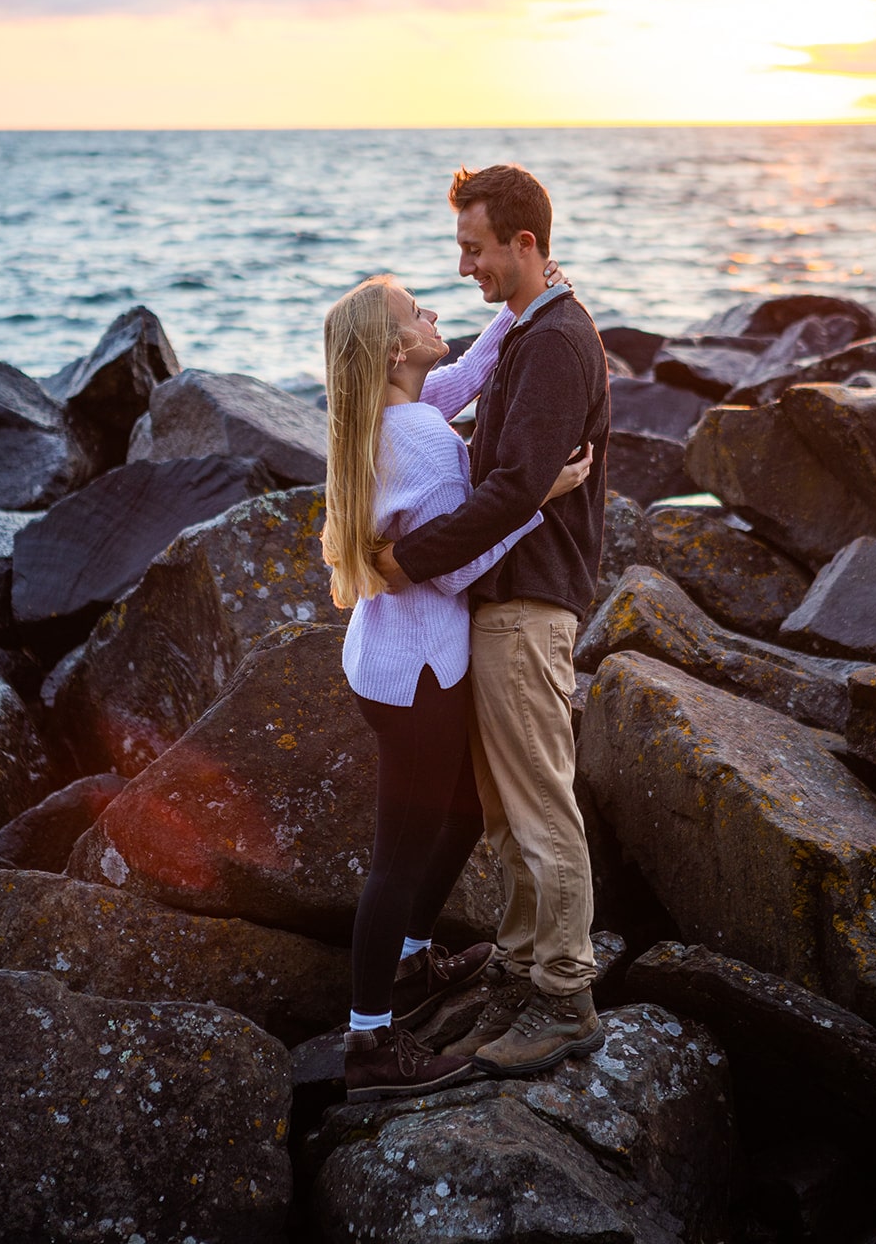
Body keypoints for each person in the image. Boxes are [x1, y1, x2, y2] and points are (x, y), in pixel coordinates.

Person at [321, 267, 590, 1103]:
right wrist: (537, 492)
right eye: (417, 312)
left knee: (465, 812)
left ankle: (409, 961)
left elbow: (465, 374)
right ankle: (369, 1038)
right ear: (399, 348)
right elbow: (451, 568)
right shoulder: (428, 442)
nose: (435, 309)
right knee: (394, 860)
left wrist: (527, 308)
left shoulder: (387, 412)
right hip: (421, 675)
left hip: (384, 662)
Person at [375, 163, 610, 1077]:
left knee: (539, 806)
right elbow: (486, 454)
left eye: (474, 248)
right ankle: (516, 980)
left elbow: (514, 486)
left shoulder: (555, 341)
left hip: (530, 601)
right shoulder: (526, 330)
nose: (465, 265)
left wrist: (401, 561)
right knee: (506, 816)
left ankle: (564, 997)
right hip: (498, 600)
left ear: (523, 242)